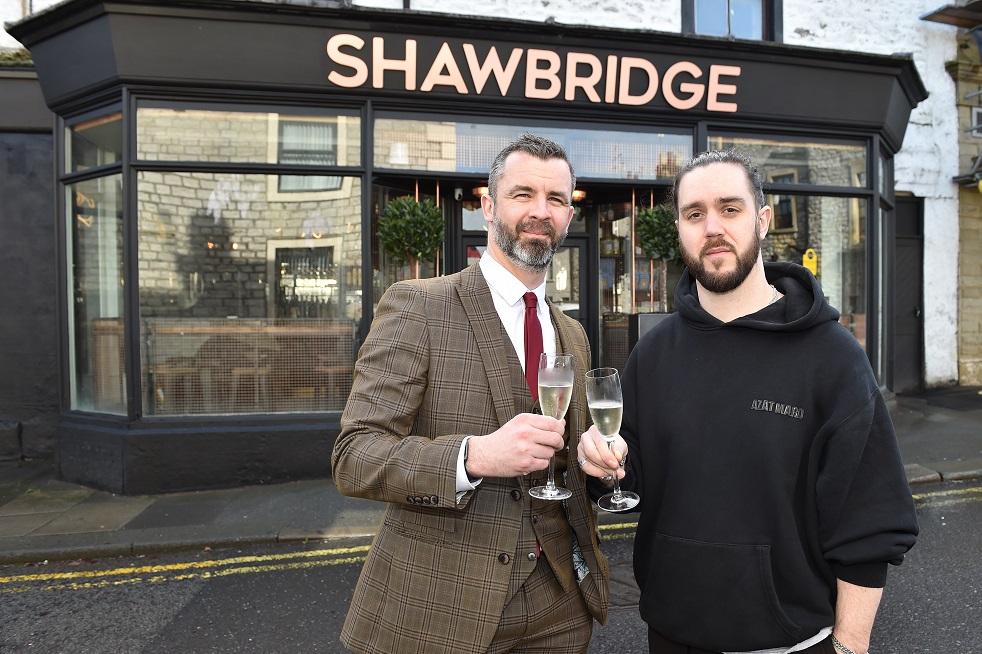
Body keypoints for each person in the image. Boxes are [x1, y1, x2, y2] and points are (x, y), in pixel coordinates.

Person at [577, 150, 918, 654]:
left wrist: (849, 646)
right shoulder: (653, 352)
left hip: (793, 642)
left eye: (730, 209)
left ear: (761, 219)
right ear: (680, 230)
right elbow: (632, 480)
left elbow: (869, 521)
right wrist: (601, 465)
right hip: (670, 637)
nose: (712, 227)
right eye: (695, 214)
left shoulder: (831, 355)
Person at [332, 133, 609, 654]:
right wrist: (474, 455)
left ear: (569, 217)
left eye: (556, 199)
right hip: (444, 611)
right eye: (522, 194)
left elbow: (567, 461)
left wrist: (597, 463)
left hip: (562, 610)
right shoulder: (418, 305)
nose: (540, 211)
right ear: (487, 206)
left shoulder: (572, 334)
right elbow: (354, 457)